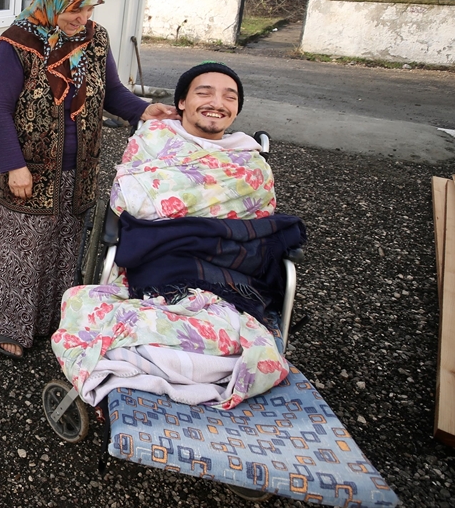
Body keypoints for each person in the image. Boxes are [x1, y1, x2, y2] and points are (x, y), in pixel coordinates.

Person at [51, 61, 305, 410]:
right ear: (181, 102)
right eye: (204, 92)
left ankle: (158, 365)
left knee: (211, 331)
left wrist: (179, 208)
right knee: (83, 305)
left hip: (230, 275)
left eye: (229, 97)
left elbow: (259, 223)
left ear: (235, 110)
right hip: (159, 264)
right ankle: (181, 368)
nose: (217, 102)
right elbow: (129, 202)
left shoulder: (251, 162)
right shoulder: (153, 142)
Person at [0, 0, 178, 359]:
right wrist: (12, 164)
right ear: (53, 0)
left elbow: (113, 92)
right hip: (31, 168)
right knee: (22, 249)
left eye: (89, 9)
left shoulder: (95, 39)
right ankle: (10, 326)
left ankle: (53, 320)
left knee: (65, 246)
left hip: (81, 167)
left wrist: (144, 111)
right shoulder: (18, 43)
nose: (82, 18)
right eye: (74, 8)